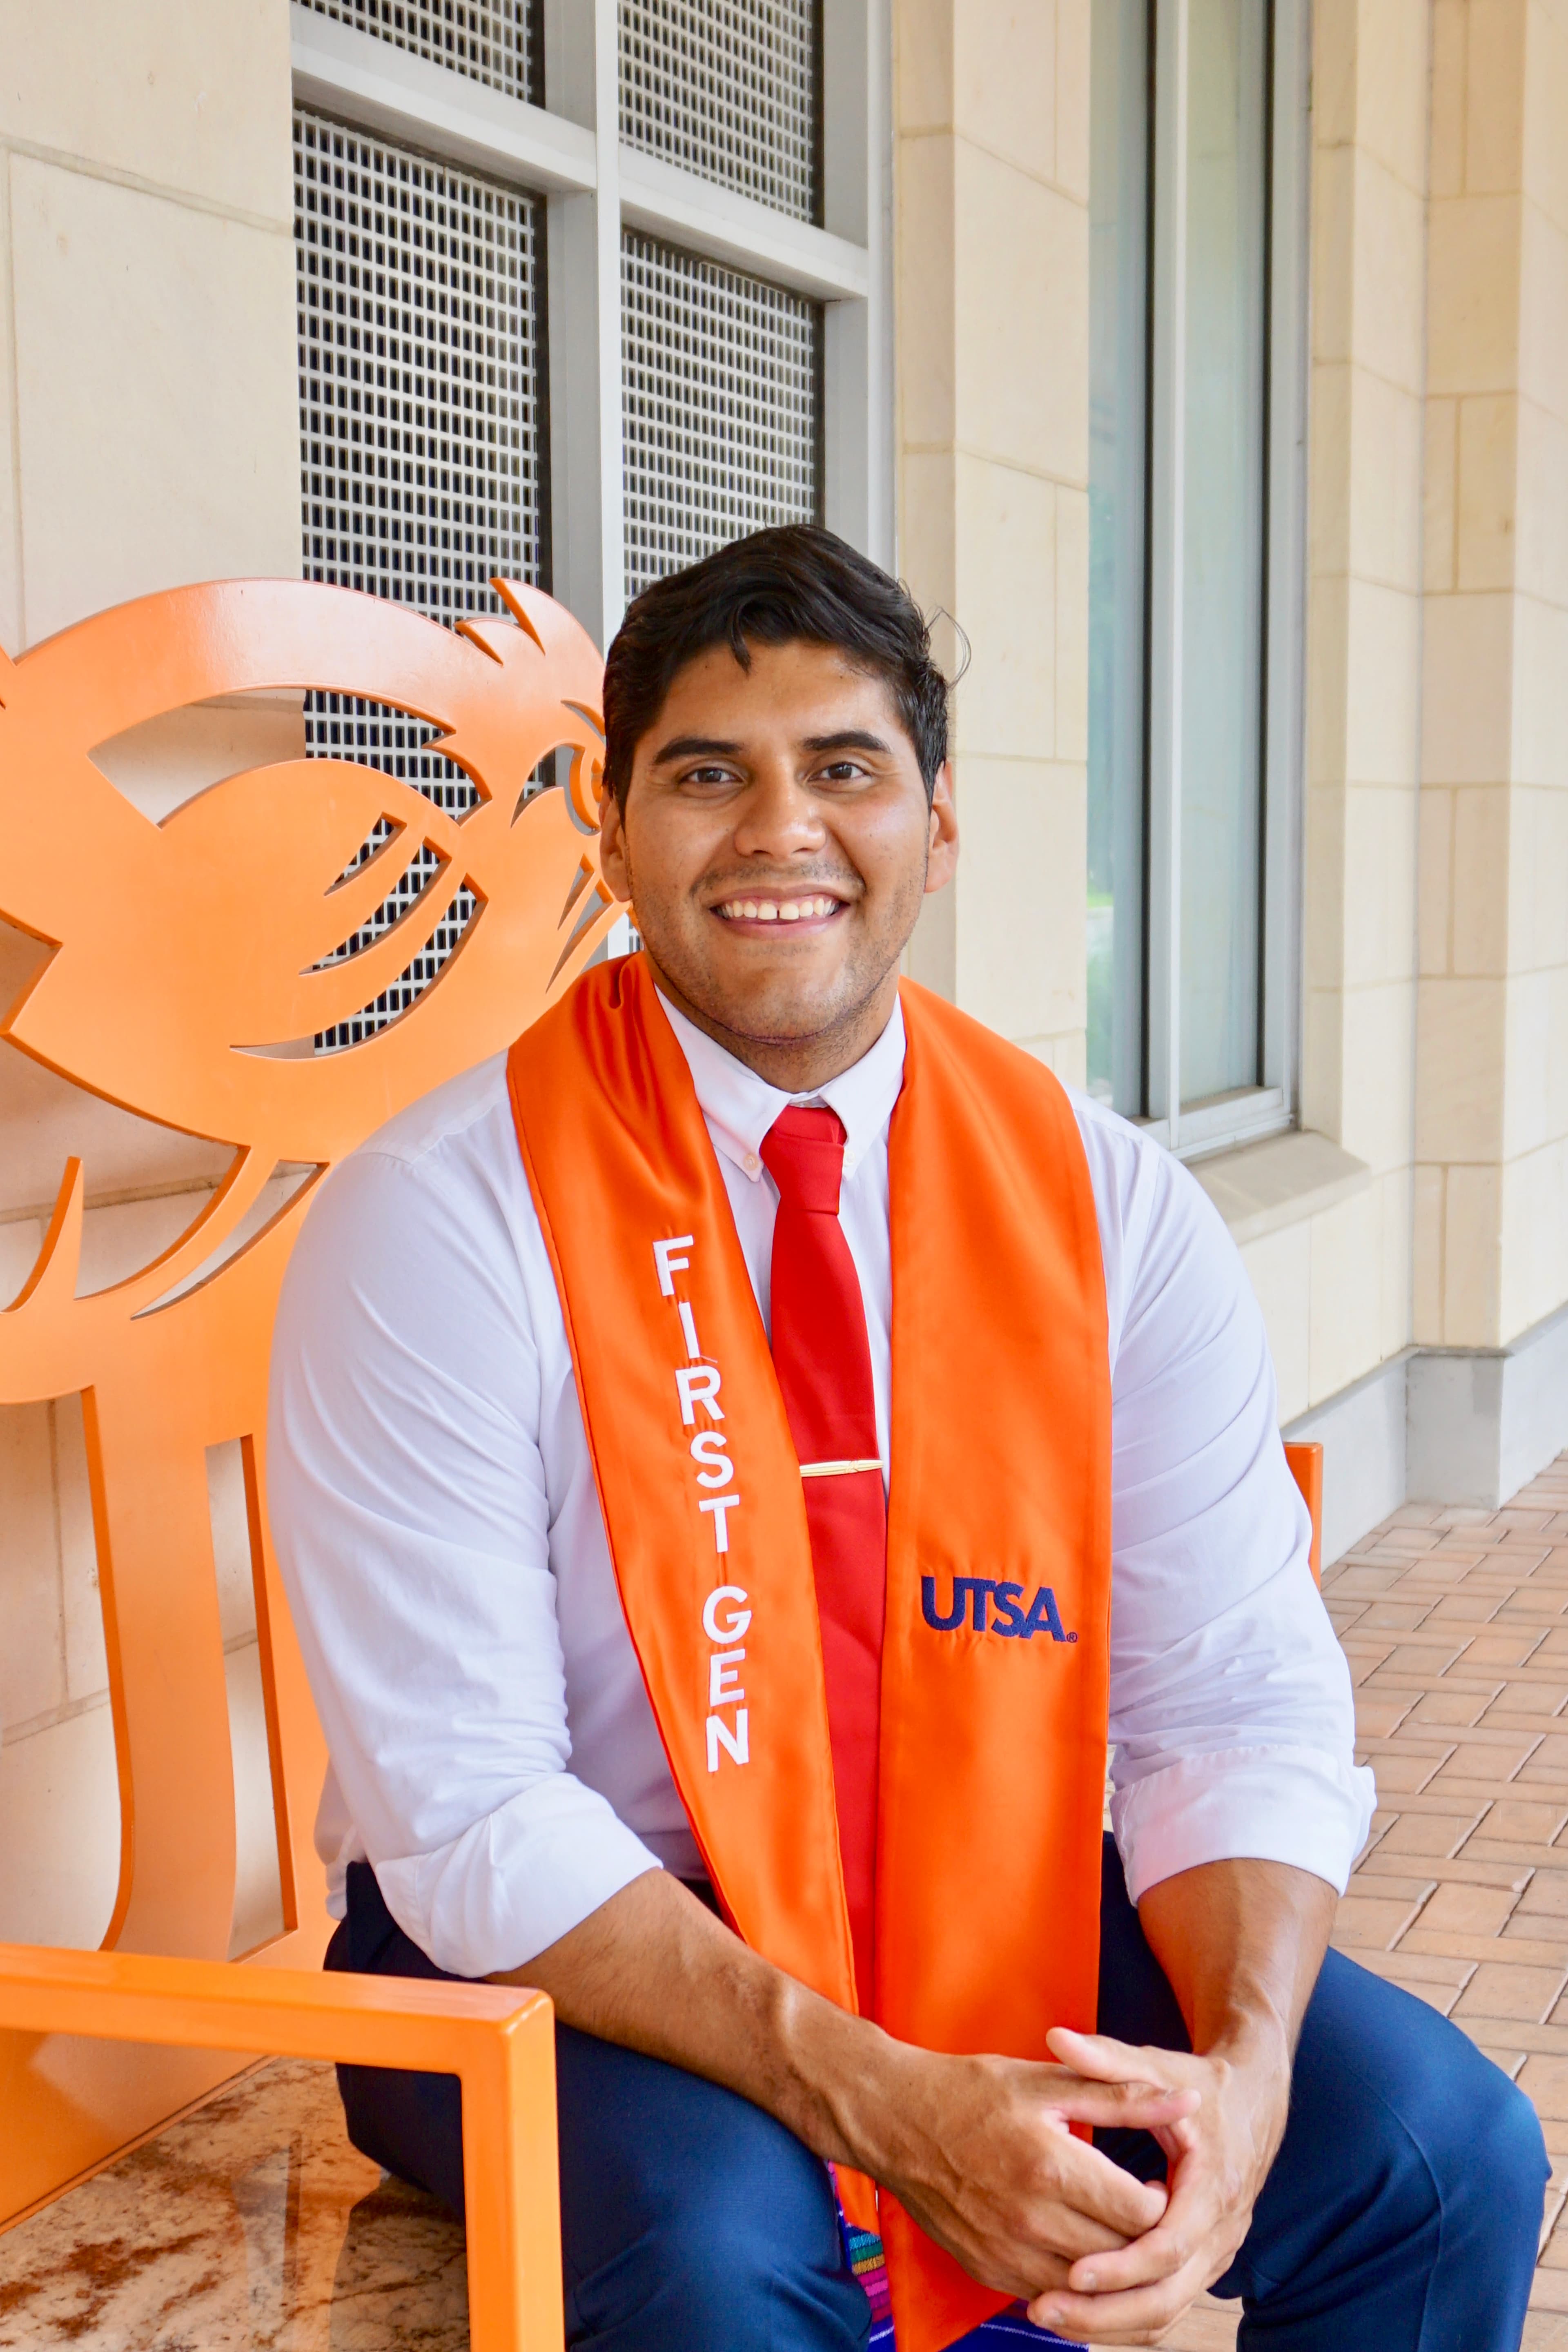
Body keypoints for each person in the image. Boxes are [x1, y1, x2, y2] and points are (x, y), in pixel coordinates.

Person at [269, 526, 1546, 2352]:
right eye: (706, 776)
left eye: (844, 769)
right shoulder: (445, 1216)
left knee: (1435, 2154)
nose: (779, 830)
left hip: (969, 1865)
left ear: (939, 826)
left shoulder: (1104, 1202)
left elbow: (1229, 1692)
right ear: (609, 834)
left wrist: (1248, 2068)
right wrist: (885, 2099)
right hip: (551, 1948)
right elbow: (472, 1816)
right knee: (720, 2253)